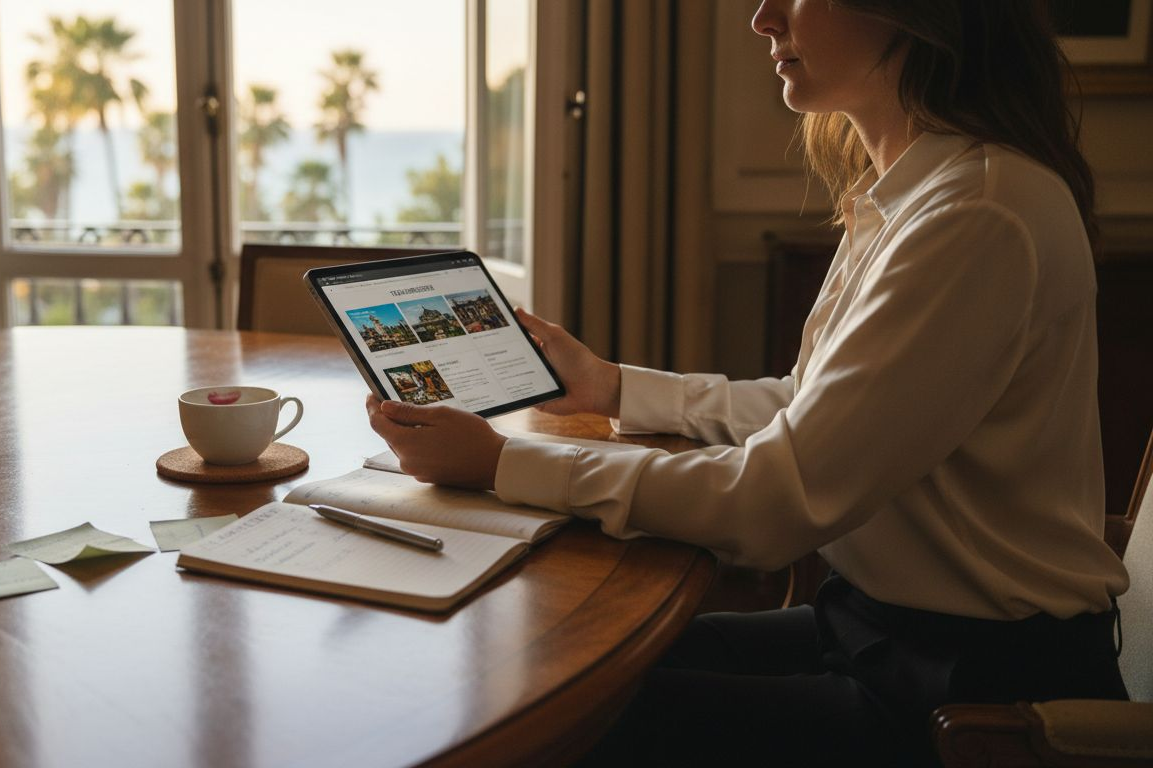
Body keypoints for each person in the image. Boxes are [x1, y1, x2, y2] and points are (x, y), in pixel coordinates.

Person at [367, 1, 1130, 764]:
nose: (763, 18)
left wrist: (502, 463)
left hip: (973, 693)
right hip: (886, 632)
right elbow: (811, 406)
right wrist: (614, 389)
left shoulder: (975, 215)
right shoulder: (920, 191)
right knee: (571, 667)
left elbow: (774, 502)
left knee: (572, 716)